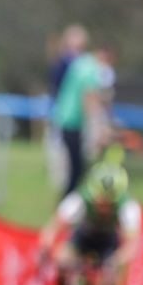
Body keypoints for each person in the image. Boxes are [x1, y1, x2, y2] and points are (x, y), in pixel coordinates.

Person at [37, 157, 141, 285]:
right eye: (99, 201)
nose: (103, 206)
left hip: (109, 246)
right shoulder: (78, 200)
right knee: (63, 260)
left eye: (108, 203)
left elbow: (131, 245)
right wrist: (47, 248)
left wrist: (114, 262)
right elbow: (53, 229)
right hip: (82, 240)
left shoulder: (128, 208)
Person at [50, 46, 114, 198]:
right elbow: (89, 98)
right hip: (73, 123)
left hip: (63, 119)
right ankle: (68, 208)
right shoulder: (91, 70)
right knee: (77, 171)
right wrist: (96, 128)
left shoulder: (81, 63)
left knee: (74, 170)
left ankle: (67, 205)